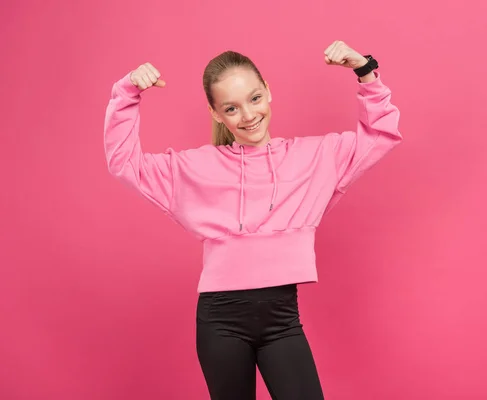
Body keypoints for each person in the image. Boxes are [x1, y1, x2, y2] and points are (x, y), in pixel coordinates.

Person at [103, 40, 402, 399]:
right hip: (221, 322)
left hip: (282, 320)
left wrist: (364, 71)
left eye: (255, 99)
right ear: (216, 114)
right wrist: (127, 92)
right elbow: (125, 163)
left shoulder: (315, 156)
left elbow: (380, 135)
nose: (247, 116)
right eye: (231, 107)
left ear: (268, 92)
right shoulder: (198, 167)